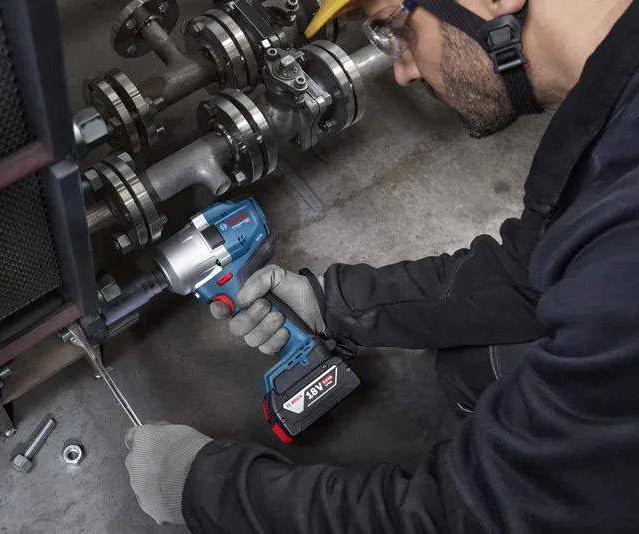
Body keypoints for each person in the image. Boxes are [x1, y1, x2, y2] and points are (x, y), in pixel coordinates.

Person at [125, 0, 639, 531]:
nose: (402, 68)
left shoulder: (626, 245)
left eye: (398, 30)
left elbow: (469, 518)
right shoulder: (610, 104)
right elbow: (525, 271)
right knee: (472, 363)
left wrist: (202, 488)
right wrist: (333, 306)